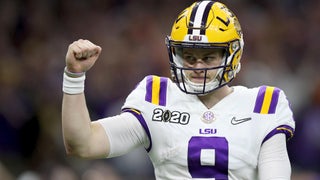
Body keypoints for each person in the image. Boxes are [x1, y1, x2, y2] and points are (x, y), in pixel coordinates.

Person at [61, 1, 295, 179]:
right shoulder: (156, 96)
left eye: (208, 56)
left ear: (231, 54)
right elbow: (83, 143)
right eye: (189, 56)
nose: (197, 66)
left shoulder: (264, 104)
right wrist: (74, 76)